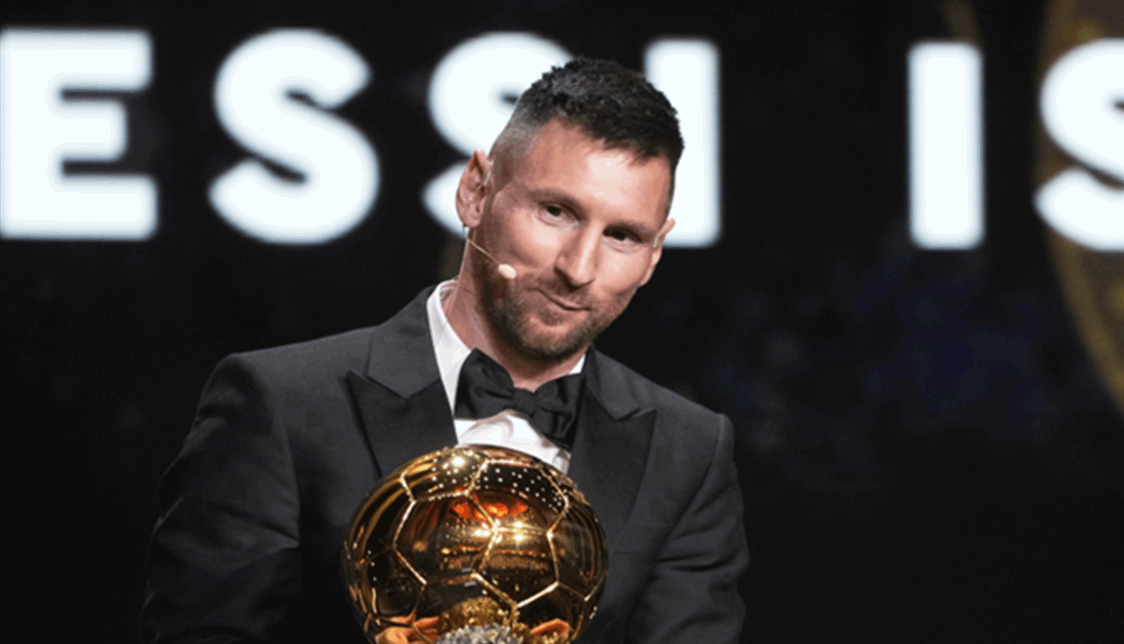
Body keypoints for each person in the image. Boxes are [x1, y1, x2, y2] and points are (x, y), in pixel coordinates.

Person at [143, 58, 747, 644]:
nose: (579, 268)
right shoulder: (282, 405)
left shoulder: (687, 451)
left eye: (622, 236)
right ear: (476, 192)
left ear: (655, 253)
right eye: (556, 212)